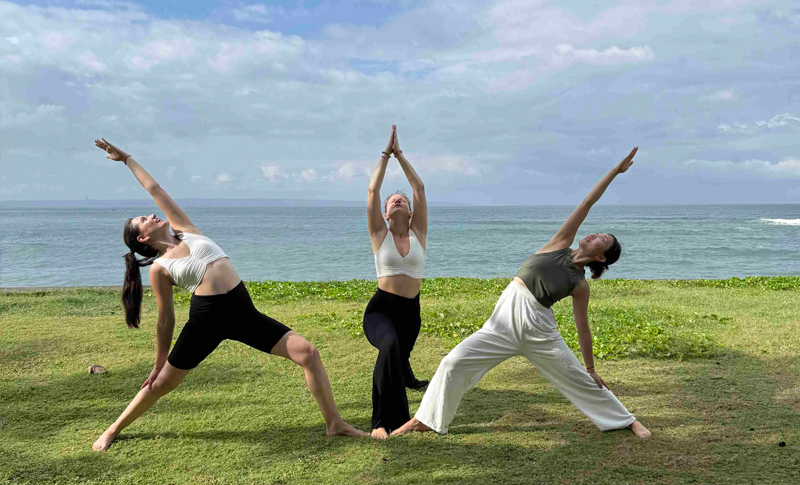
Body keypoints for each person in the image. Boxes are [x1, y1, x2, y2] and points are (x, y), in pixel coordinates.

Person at [91, 138, 366, 451]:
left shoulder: (185, 228)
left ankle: (335, 424)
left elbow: (154, 188)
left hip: (242, 313)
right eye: (144, 219)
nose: (151, 215)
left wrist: (127, 158)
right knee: (162, 383)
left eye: (148, 214)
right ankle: (113, 430)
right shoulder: (159, 269)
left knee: (308, 353)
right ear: (142, 237)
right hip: (205, 322)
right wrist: (159, 361)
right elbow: (166, 319)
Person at [393, 148, 651, 439]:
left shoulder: (580, 285)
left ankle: (626, 420)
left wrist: (590, 366)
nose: (594, 235)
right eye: (598, 232)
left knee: (577, 377)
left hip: (538, 329)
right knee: (452, 363)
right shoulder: (560, 243)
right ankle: (426, 419)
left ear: (602, 257)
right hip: (502, 323)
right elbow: (588, 201)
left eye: (601, 239)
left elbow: (583, 327)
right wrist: (614, 172)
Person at [363, 126, 429, 439]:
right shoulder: (380, 235)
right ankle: (381, 423)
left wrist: (401, 155)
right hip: (380, 310)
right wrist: (385, 155)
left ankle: (408, 381)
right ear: (386, 214)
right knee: (388, 347)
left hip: (410, 314)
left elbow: (420, 188)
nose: (398, 201)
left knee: (398, 359)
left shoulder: (419, 235)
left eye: (402, 199)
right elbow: (372, 192)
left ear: (411, 210)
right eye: (393, 201)